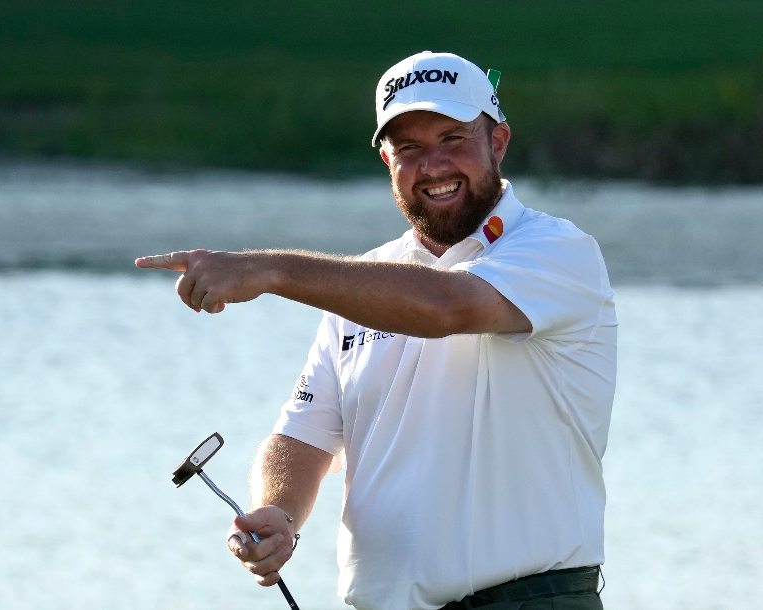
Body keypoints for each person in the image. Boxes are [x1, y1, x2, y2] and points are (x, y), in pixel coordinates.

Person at [136, 50, 618, 610]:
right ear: (388, 159)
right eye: (409, 148)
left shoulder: (558, 250)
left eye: (453, 138)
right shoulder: (365, 282)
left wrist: (270, 270)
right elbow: (304, 433)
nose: (433, 166)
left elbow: (447, 307)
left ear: (498, 142)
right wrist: (278, 510)